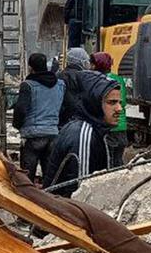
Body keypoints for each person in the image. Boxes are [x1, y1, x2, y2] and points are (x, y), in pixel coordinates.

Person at [43, 71, 122, 197]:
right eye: (111, 103)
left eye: (119, 102)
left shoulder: (94, 129)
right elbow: (82, 193)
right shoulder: (83, 135)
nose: (119, 109)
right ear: (94, 103)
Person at [11, 53, 66, 183]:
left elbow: (21, 109)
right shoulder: (60, 85)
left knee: (27, 179)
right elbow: (64, 107)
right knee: (50, 177)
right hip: (53, 134)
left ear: (31, 68)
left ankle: (28, 202)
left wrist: (17, 125)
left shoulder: (28, 85)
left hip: (32, 137)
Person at [91, 51, 127, 167]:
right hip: (121, 127)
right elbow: (124, 102)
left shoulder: (97, 81)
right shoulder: (119, 79)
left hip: (107, 128)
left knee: (108, 163)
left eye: (92, 63)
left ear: (97, 65)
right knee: (118, 162)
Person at [58, 47, 93, 125]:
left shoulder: (59, 76)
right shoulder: (84, 77)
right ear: (81, 61)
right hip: (78, 118)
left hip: (62, 120)